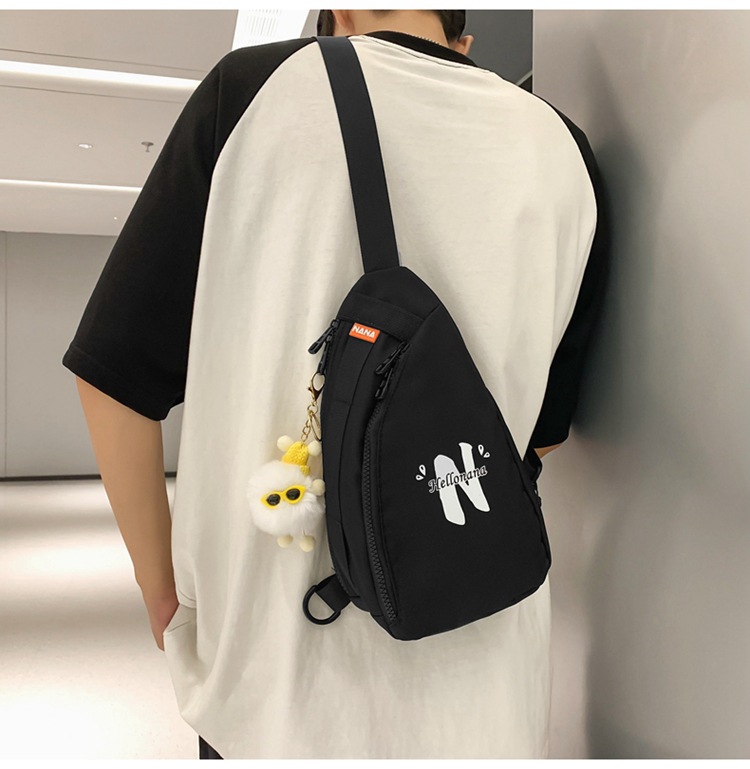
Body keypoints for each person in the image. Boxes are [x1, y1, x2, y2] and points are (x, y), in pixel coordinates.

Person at [62, 9, 609, 760]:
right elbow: (541, 435)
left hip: (280, 677)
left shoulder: (254, 90)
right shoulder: (567, 150)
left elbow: (113, 378)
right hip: (486, 672)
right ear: (465, 42)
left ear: (336, 16)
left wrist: (160, 589)